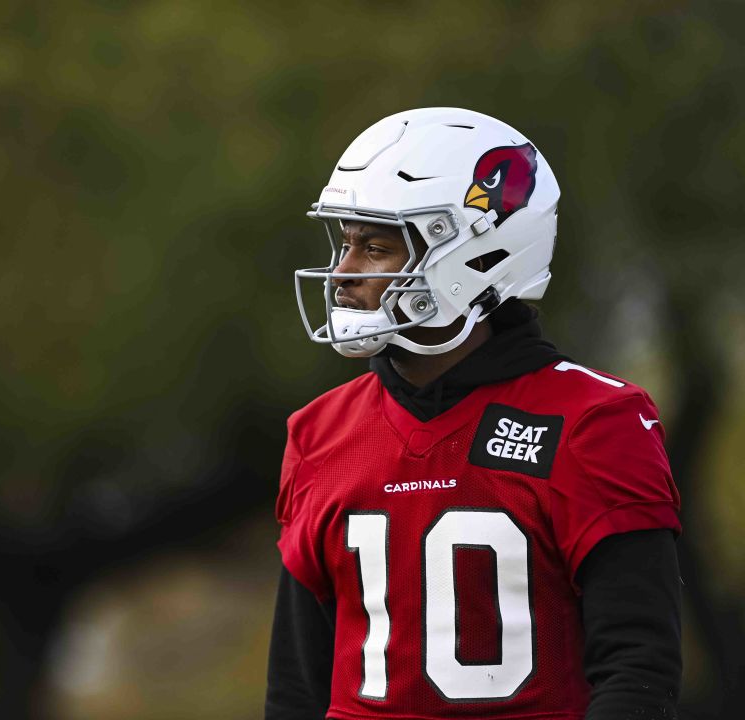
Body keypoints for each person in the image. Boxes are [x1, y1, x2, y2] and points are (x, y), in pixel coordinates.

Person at [266, 108, 682, 720]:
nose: (343, 274)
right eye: (346, 243)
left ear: (477, 255)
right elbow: (297, 688)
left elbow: (638, 669)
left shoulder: (594, 419)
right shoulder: (319, 431)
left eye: (376, 247)